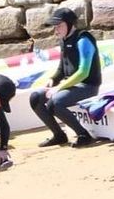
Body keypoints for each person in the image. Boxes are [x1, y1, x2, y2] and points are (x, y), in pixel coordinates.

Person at [30, 8, 101, 148]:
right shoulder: (64, 40)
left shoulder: (83, 39)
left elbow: (83, 73)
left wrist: (58, 88)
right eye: (55, 27)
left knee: (54, 102)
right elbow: (62, 68)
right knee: (35, 98)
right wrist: (53, 80)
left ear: (70, 24)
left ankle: (83, 135)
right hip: (71, 86)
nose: (56, 30)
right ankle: (59, 135)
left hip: (88, 86)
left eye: (59, 26)